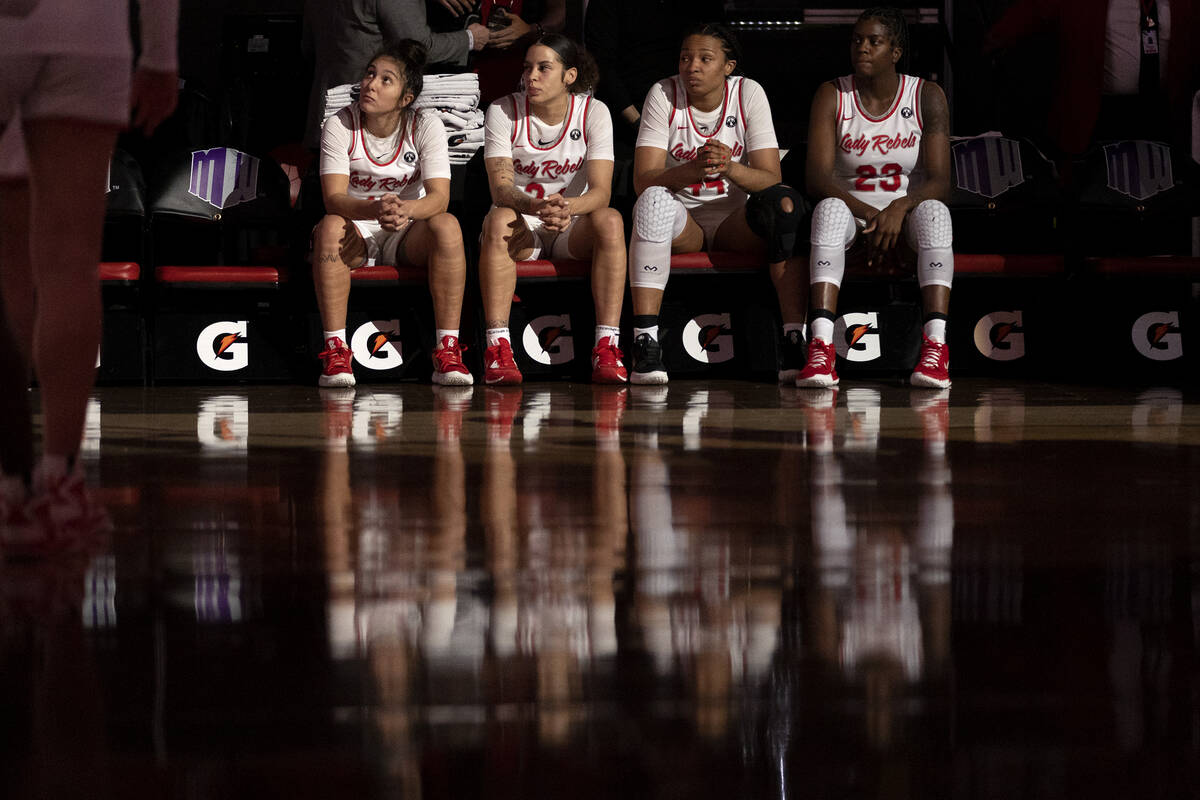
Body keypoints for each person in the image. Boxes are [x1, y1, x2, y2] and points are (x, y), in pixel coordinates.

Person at [0, 0, 178, 546]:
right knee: (69, 260)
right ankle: (59, 478)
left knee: (7, 264)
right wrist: (160, 56)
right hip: (88, 30)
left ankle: (9, 484)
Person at [626, 23, 809, 385]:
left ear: (729, 66)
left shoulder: (748, 93)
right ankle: (644, 342)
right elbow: (642, 179)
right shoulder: (663, 93)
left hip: (733, 223)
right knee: (651, 201)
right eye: (685, 57)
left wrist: (729, 167)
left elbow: (771, 177)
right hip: (683, 224)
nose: (691, 66)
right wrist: (692, 169)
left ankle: (793, 338)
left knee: (786, 204)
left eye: (705, 58)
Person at [797, 7, 953, 390]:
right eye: (856, 40)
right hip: (853, 213)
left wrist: (898, 208)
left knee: (936, 212)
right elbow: (817, 178)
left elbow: (940, 181)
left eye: (874, 41)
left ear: (895, 51)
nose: (861, 48)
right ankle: (820, 347)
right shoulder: (833, 93)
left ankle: (936, 348)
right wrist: (871, 214)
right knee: (828, 209)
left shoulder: (926, 95)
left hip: (907, 213)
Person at [314, 40, 473, 388]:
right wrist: (373, 208)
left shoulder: (424, 124)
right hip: (356, 228)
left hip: (405, 232)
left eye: (386, 79)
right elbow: (334, 198)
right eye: (370, 74)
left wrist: (406, 210)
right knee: (329, 227)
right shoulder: (340, 124)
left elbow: (439, 198)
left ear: (406, 98)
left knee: (447, 225)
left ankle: (447, 350)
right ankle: (336, 351)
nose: (371, 84)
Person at [478, 33, 628, 385]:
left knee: (610, 220)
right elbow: (500, 189)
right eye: (527, 67)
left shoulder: (594, 111)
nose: (531, 76)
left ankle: (607, 346)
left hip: (569, 225)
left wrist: (568, 207)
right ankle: (498, 348)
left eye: (544, 68)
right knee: (499, 218)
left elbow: (602, 192)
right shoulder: (502, 110)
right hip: (523, 223)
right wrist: (536, 205)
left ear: (570, 76)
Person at [303, 0, 492, 148]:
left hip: (325, 114)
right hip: (370, 125)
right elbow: (419, 45)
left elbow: (307, 47)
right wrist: (469, 39)